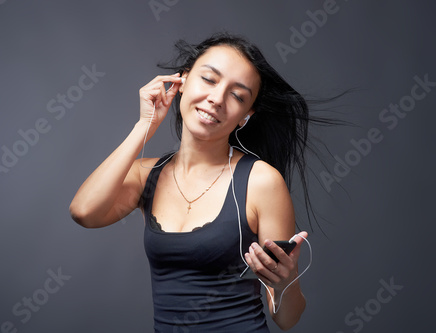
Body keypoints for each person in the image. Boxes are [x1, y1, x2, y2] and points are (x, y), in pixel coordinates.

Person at [70, 32, 314, 332]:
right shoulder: (146, 175)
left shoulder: (261, 181)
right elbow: (84, 212)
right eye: (209, 79)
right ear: (182, 80)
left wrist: (286, 281)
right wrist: (144, 126)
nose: (216, 98)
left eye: (237, 95)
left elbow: (286, 319)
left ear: (245, 116)